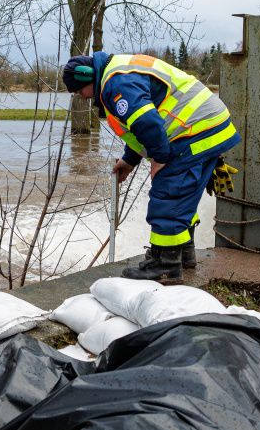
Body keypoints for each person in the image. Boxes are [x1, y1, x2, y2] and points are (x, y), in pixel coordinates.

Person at [61, 52, 240, 283]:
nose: (80, 97)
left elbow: (148, 123)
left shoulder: (115, 83)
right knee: (182, 198)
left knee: (167, 195)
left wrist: (159, 157)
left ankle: (165, 266)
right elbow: (139, 129)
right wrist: (129, 160)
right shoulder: (119, 72)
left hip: (193, 131)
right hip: (206, 127)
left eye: (78, 91)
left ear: (87, 77)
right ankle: (182, 254)